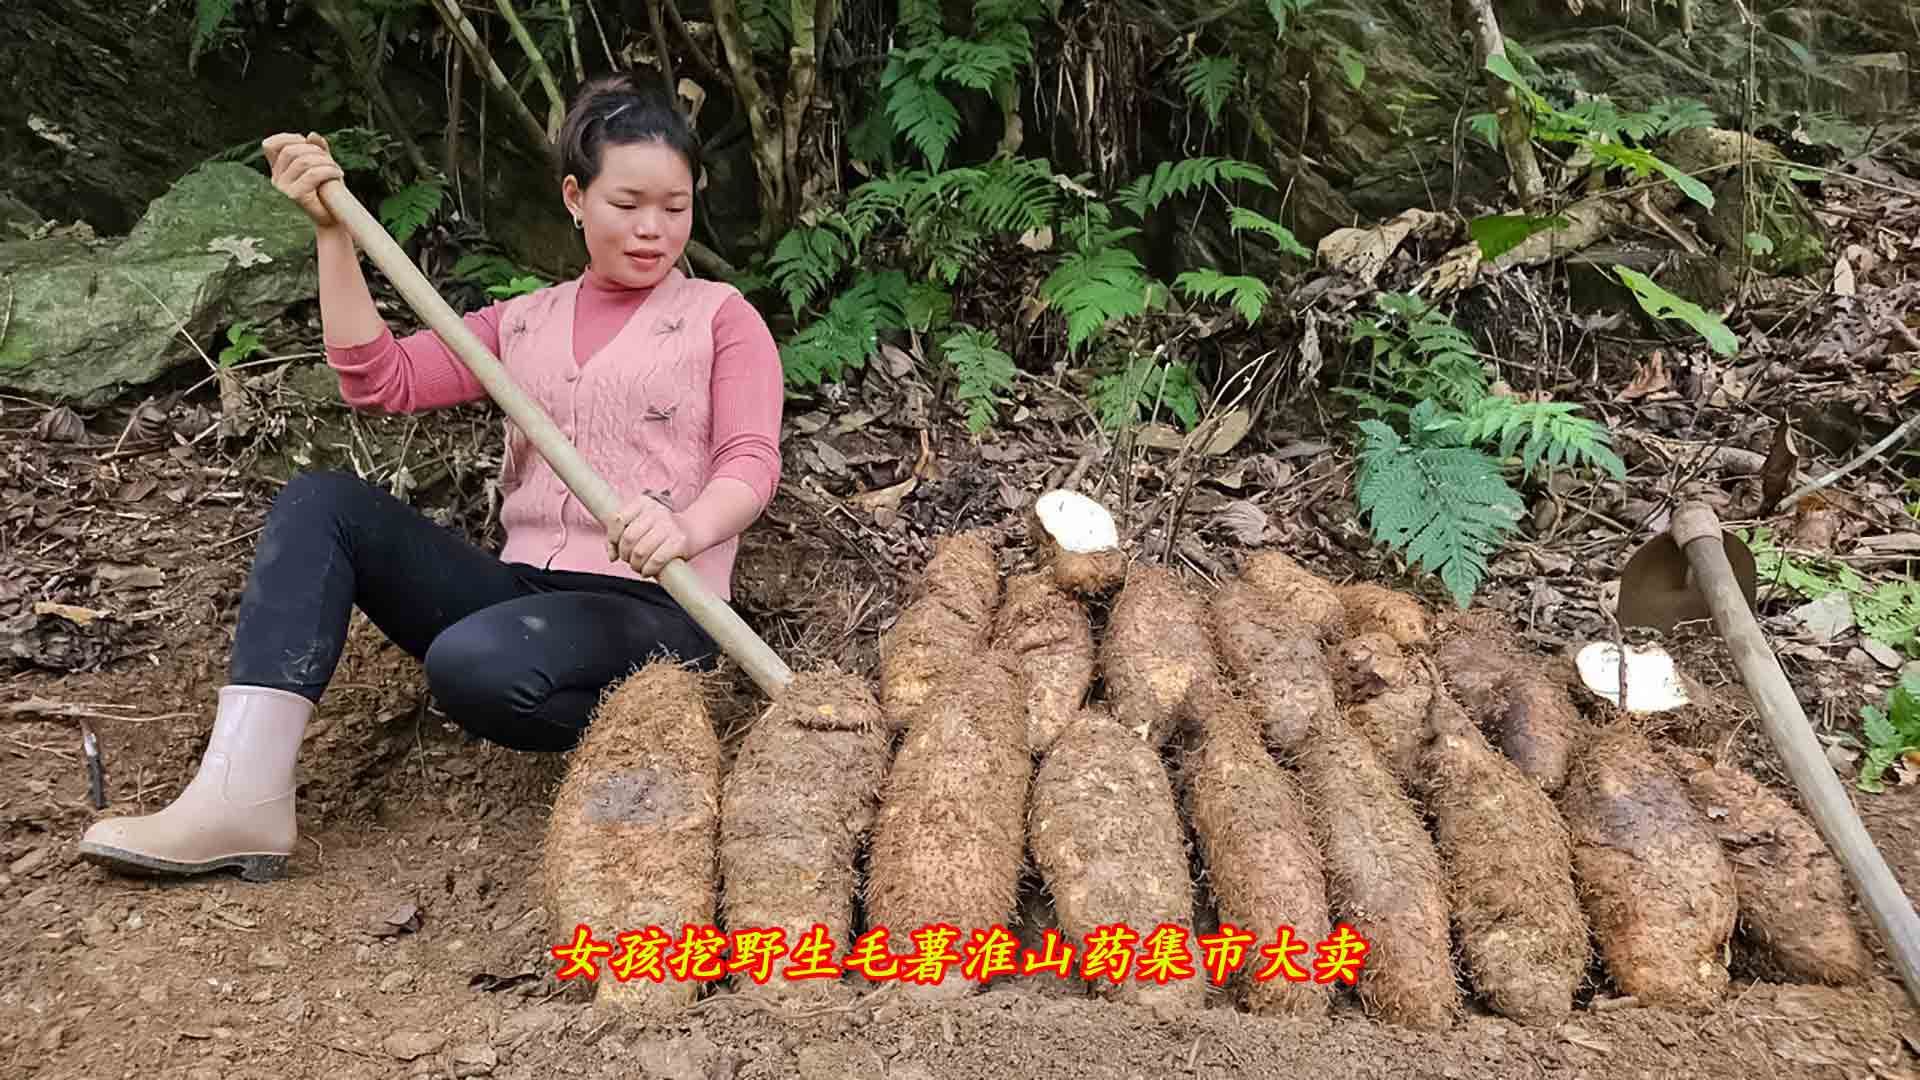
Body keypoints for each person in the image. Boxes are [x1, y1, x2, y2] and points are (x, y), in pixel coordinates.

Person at [76, 73, 783, 883]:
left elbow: (751, 463)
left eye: (675, 206)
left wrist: (687, 528)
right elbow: (378, 381)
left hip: (661, 608)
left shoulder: (721, 317)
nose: (653, 229)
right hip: (525, 593)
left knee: (473, 664)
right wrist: (333, 233)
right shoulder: (522, 321)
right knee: (322, 504)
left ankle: (677, 726)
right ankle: (240, 796)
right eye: (627, 204)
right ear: (575, 198)